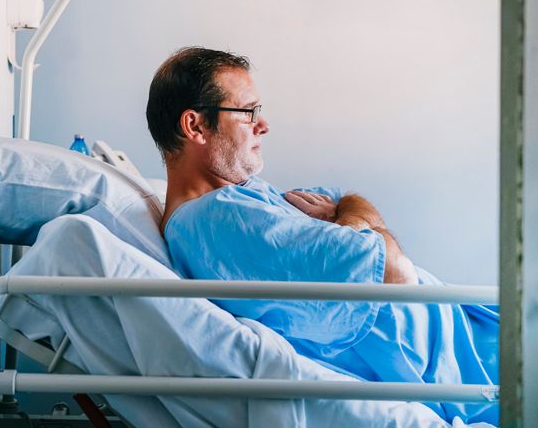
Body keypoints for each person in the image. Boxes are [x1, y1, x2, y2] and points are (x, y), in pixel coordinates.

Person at [145, 46, 499, 425]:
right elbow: (394, 270)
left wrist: (349, 215)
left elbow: (349, 200)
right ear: (195, 126)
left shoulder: (242, 197)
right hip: (468, 368)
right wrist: (351, 219)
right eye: (248, 113)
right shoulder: (218, 220)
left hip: (469, 334)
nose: (263, 126)